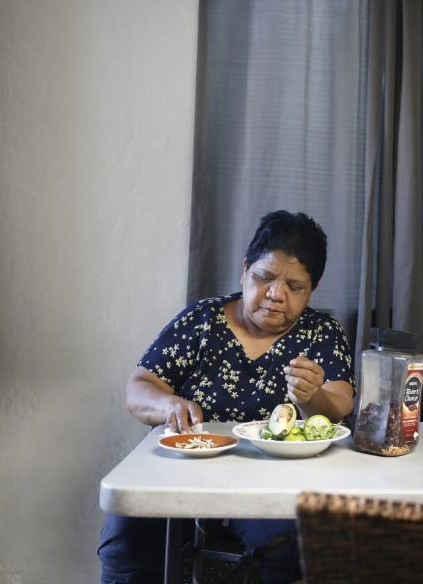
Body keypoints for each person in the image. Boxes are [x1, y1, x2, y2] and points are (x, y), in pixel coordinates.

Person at [98, 211, 355, 584]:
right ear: (245, 270)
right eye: (264, 278)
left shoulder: (321, 333)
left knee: (290, 547)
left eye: (295, 286)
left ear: (311, 289)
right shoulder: (201, 321)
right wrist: (168, 404)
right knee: (128, 539)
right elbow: (139, 387)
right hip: (186, 472)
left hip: (275, 481)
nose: (275, 295)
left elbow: (340, 403)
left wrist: (313, 397)